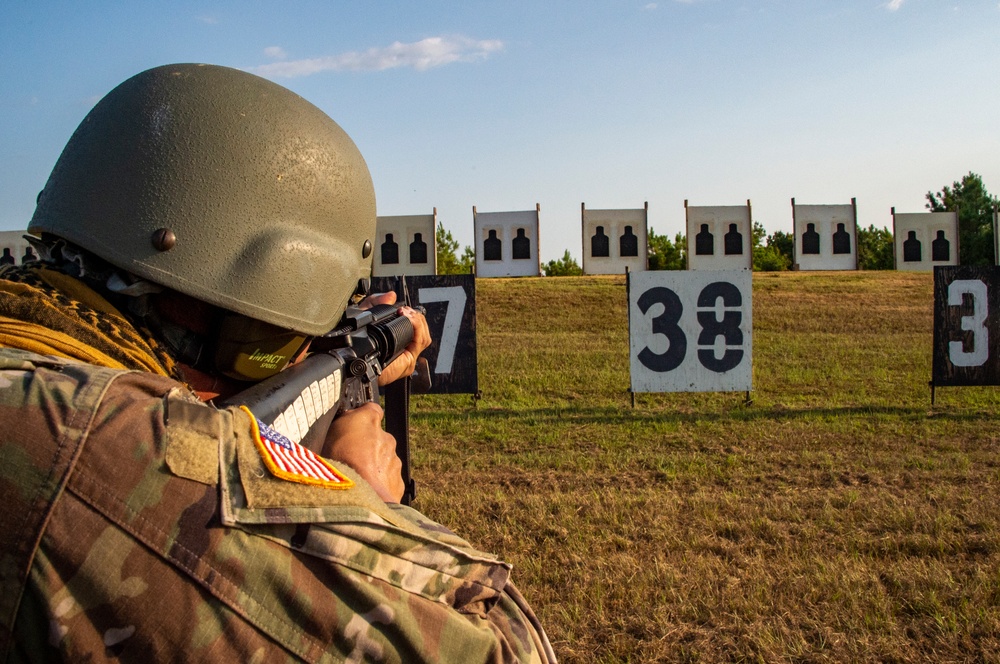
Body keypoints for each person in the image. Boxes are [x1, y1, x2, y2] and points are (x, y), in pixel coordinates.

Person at [0, 63, 555, 663]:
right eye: (281, 345)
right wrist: (365, 507)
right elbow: (502, 645)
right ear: (250, 320)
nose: (292, 359)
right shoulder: (128, 457)